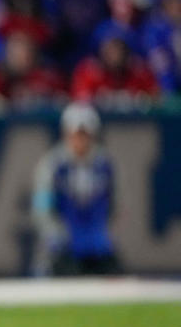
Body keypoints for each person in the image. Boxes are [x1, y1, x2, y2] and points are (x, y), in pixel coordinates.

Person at [31, 102, 120, 276]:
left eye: (84, 134)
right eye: (75, 134)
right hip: (64, 244)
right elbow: (41, 208)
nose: (79, 140)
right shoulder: (52, 165)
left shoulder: (105, 164)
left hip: (97, 245)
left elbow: (114, 204)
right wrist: (54, 234)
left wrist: (103, 233)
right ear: (66, 133)